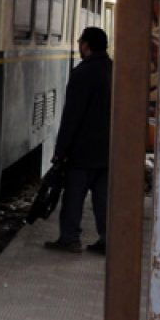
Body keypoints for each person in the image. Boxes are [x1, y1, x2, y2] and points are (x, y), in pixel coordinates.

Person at [44, 27, 113, 255]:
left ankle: (70, 239)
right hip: (107, 150)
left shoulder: (82, 73)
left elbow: (72, 116)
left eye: (80, 42)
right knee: (102, 200)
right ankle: (106, 240)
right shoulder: (114, 70)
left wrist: (61, 150)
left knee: (73, 197)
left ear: (86, 45)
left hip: (82, 150)